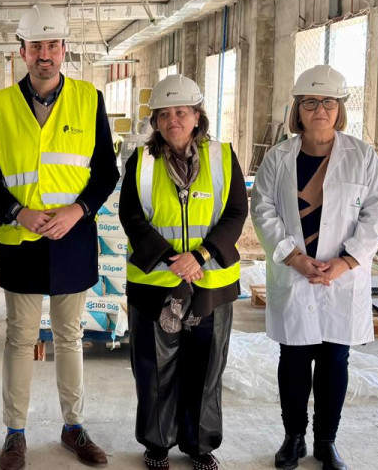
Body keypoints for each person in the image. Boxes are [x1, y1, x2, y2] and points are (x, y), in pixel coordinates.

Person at [0, 3, 120, 470]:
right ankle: (15, 433)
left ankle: (73, 427)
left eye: (52, 45)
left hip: (72, 238)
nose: (45, 54)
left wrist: (78, 210)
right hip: (22, 240)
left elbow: (106, 171)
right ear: (22, 51)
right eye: (36, 45)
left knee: (69, 336)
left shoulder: (88, 99)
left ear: (64, 49)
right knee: (20, 338)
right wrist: (17, 212)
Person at [251, 65, 378, 470]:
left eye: (329, 102)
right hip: (295, 273)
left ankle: (326, 442)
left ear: (340, 109)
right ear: (298, 109)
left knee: (334, 362)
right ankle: (293, 438)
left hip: (340, 279)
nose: (320, 110)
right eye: (310, 102)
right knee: (293, 362)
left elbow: (376, 214)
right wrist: (293, 257)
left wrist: (346, 261)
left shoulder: (362, 157)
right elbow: (263, 210)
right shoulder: (279, 158)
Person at [120, 75, 247, 470]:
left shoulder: (222, 156)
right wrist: (173, 258)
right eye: (164, 114)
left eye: (181, 112)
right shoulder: (141, 161)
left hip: (210, 282)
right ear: (155, 121)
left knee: (206, 368)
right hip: (156, 283)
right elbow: (131, 217)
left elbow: (236, 212)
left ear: (196, 115)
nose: (172, 120)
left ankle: (200, 444)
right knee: (154, 369)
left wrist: (201, 256)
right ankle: (157, 442)